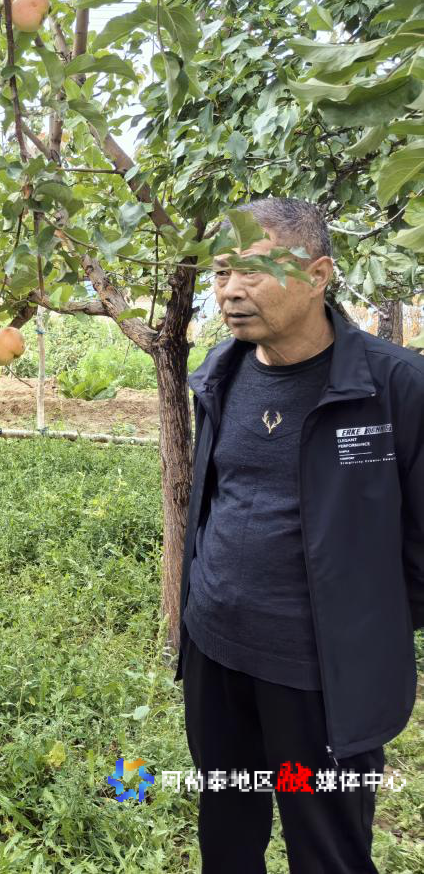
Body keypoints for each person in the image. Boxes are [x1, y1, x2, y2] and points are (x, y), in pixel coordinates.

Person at [177, 198, 423, 874]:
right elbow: (216, 499)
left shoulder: (395, 387)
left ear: (318, 276)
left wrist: (362, 625)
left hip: (321, 678)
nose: (230, 290)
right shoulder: (220, 374)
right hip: (216, 655)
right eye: (221, 272)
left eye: (252, 271)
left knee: (328, 851)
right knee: (227, 837)